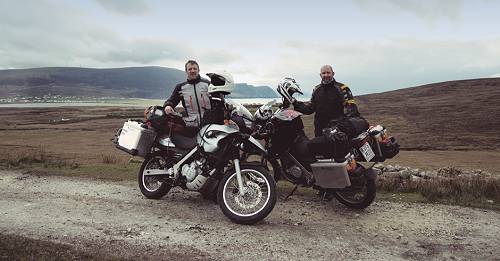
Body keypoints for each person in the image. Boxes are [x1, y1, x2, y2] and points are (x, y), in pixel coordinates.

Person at [293, 65, 362, 137]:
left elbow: (352, 110)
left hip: (338, 130)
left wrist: (341, 125)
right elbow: (310, 109)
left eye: (328, 73)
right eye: (323, 73)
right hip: (320, 131)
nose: (326, 75)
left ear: (333, 73)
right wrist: (295, 103)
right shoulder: (316, 89)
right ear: (320, 75)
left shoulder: (342, 88)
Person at [163, 60, 212, 127]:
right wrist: (168, 106)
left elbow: (218, 101)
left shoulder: (208, 84)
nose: (192, 71)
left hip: (209, 123)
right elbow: (172, 100)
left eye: (195, 69)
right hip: (191, 125)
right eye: (190, 69)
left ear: (198, 70)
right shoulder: (180, 87)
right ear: (186, 71)